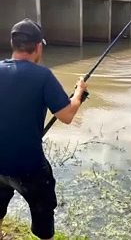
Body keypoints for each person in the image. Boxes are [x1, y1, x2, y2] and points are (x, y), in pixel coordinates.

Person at [0, 18, 87, 240]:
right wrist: (78, 93)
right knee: (43, 214)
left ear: (13, 43)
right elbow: (66, 115)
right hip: (29, 167)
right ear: (38, 46)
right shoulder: (43, 76)